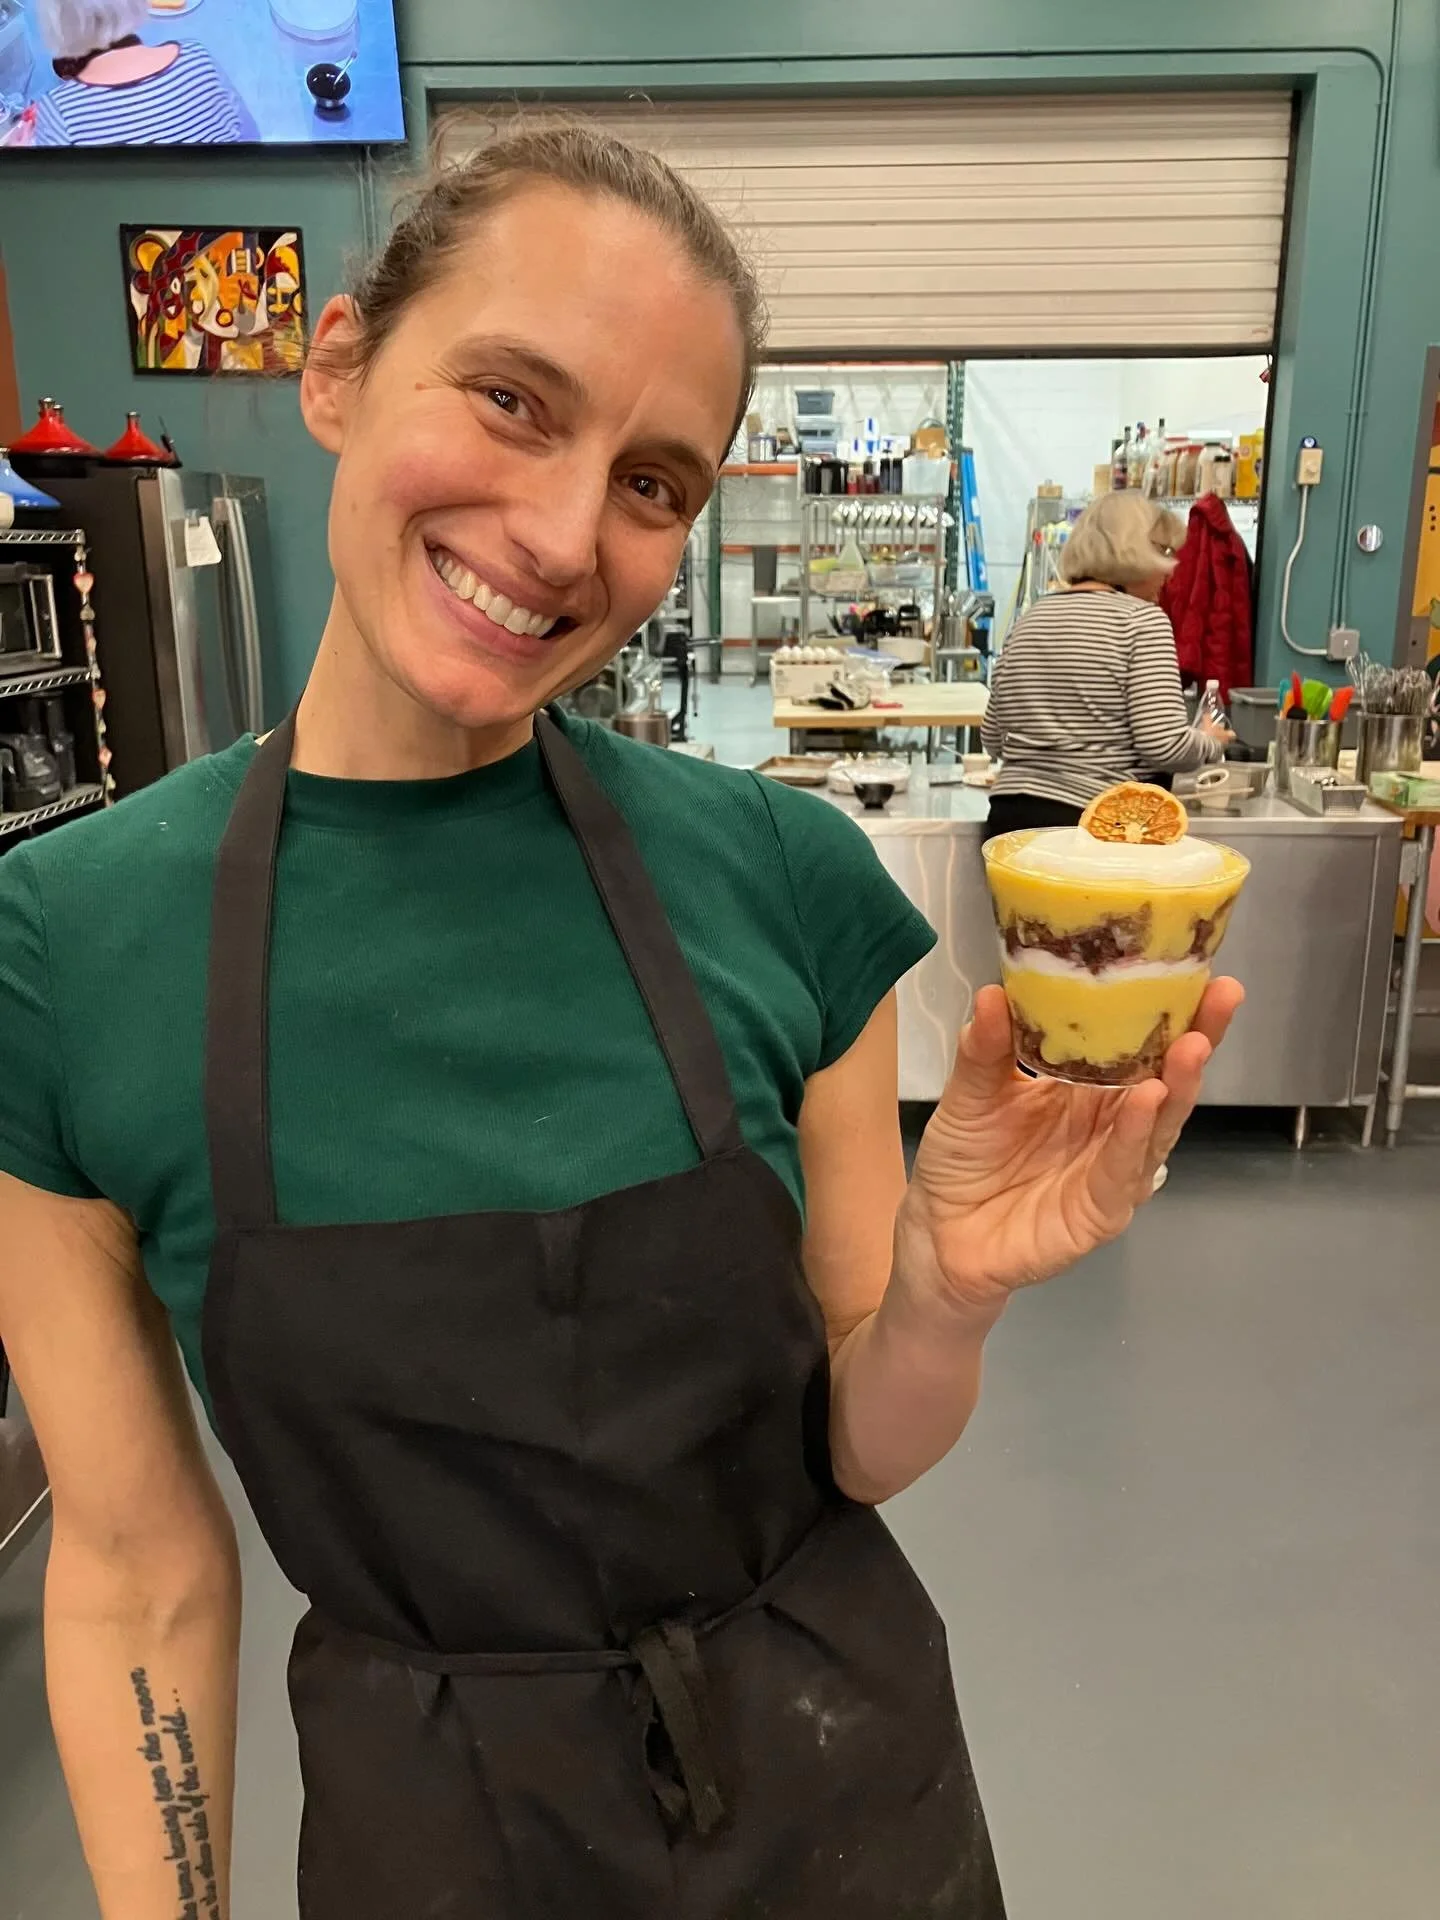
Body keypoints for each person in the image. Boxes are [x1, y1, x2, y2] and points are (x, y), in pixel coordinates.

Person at [0, 126, 1240, 1919]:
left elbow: (853, 1448)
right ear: (336, 366)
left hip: (844, 1804)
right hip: (432, 1837)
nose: (568, 533)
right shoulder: (65, 947)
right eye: (512, 400)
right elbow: (130, 1566)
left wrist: (946, 1303)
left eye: (655, 482)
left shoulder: (777, 878)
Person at [981, 492, 1233, 843]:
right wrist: (1210, 742)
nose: (1170, 570)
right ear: (1135, 554)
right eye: (1163, 554)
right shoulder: (1141, 622)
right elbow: (1163, 745)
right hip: (1098, 823)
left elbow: (993, 737)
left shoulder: (1032, 618)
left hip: (1010, 820)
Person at [30, 0, 256, 147]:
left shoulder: (60, 112)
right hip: (227, 218)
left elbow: (58, 208)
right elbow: (251, 140)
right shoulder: (197, 59)